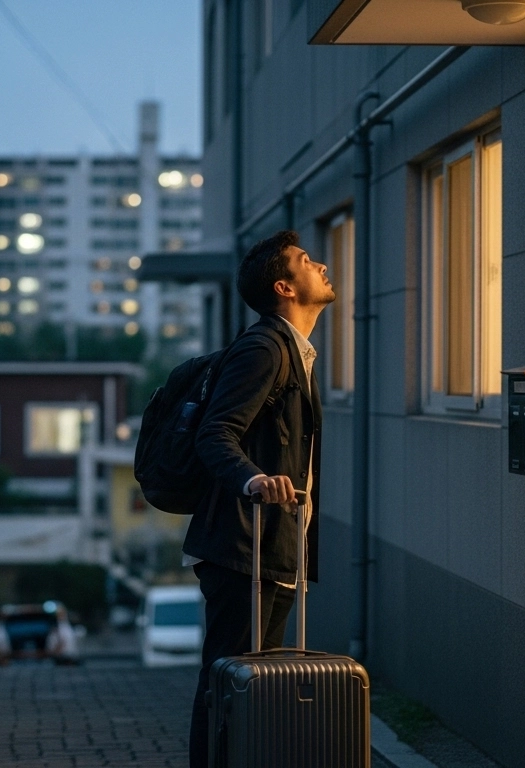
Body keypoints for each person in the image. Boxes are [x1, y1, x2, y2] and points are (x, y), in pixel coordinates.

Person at [184, 229, 335, 767]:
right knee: (231, 677)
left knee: (251, 680)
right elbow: (215, 433)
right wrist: (253, 479)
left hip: (270, 545)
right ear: (284, 287)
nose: (320, 265)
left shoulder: (295, 351)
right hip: (241, 547)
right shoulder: (265, 348)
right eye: (304, 261)